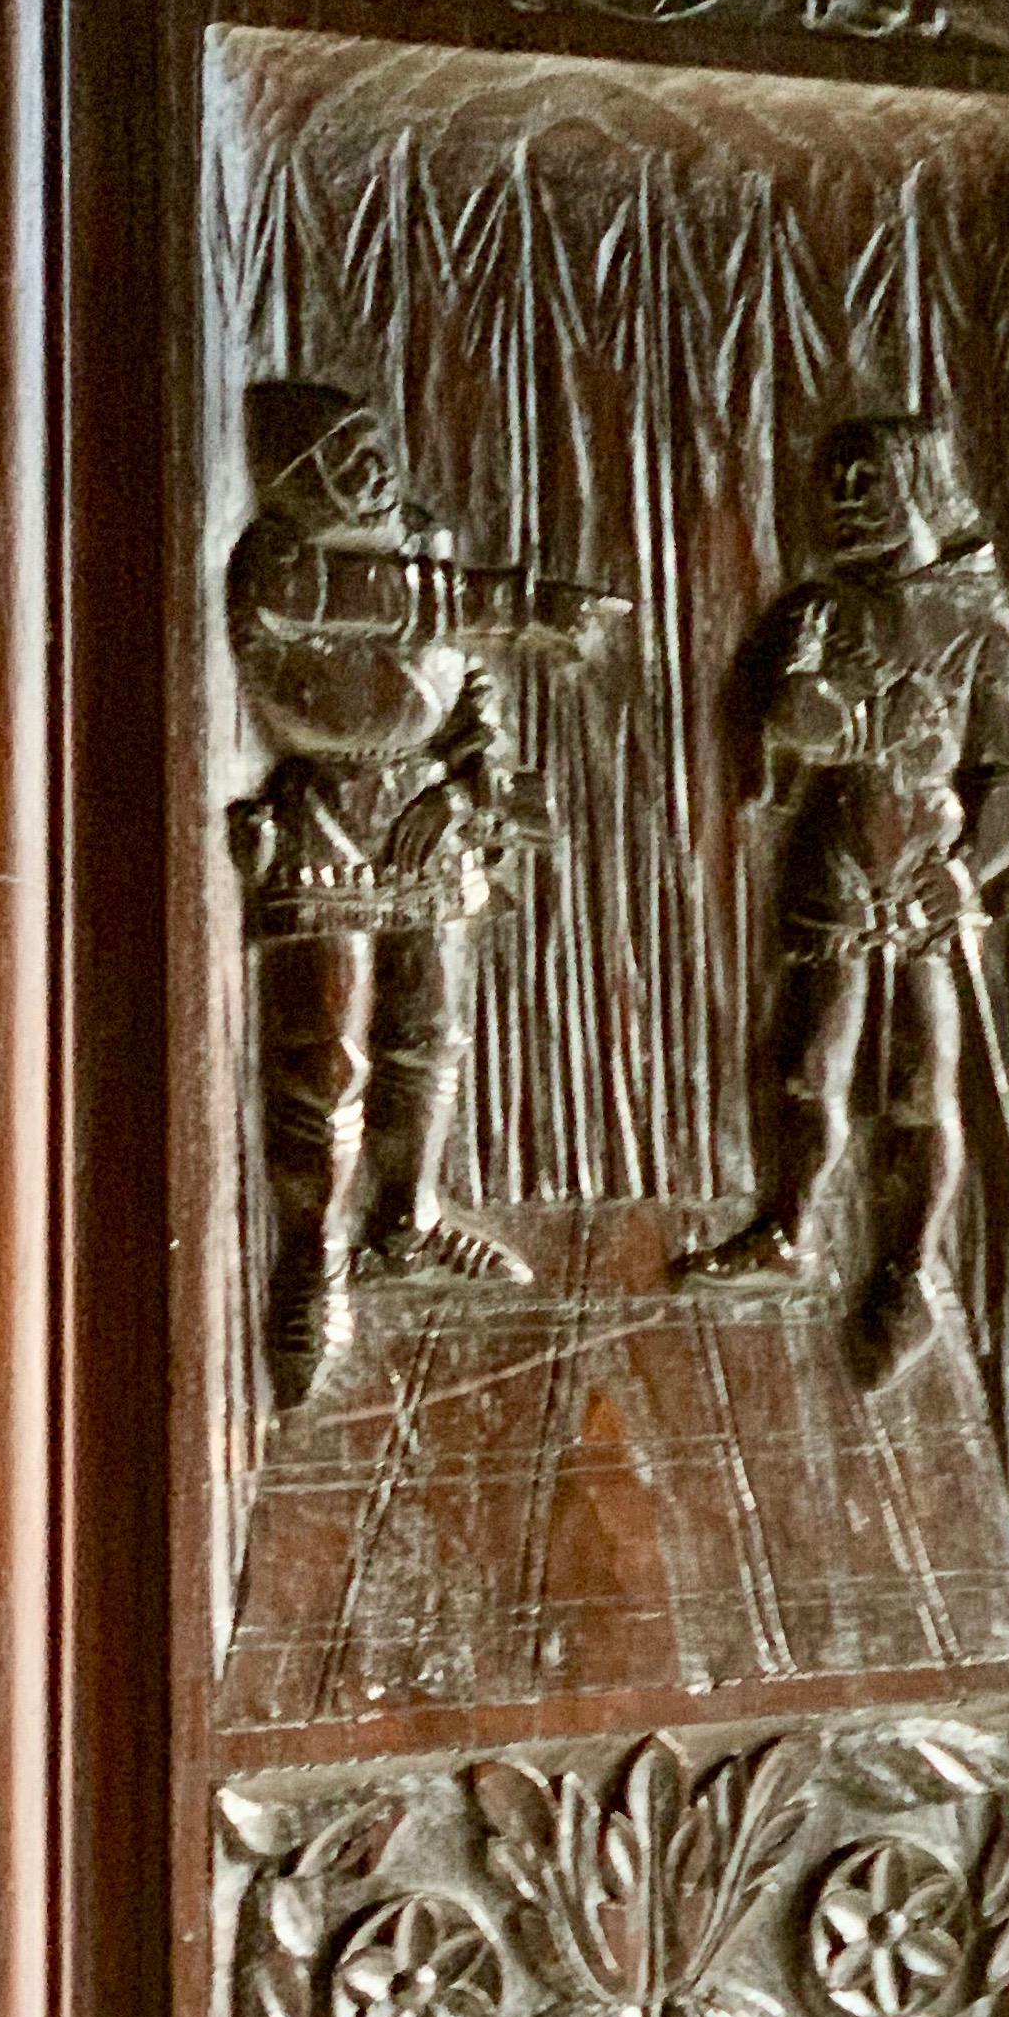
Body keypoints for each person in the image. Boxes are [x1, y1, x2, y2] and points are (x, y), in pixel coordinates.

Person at [227, 380, 625, 1406]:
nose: (370, 469)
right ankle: (315, 1257)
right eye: (340, 455)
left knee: (431, 1027)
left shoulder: (423, 539)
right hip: (328, 811)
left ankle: (409, 1214)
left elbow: (461, 675)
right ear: (294, 474)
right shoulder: (279, 560)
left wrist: (481, 758)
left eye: (370, 446)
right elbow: (369, 605)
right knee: (328, 1050)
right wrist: (516, 603)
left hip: (423, 808)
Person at [682, 409, 1009, 1385]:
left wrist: (970, 867)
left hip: (927, 865)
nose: (844, 504)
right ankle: (788, 1224)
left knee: (920, 1084)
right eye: (833, 485)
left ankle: (905, 1272)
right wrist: (839, 716)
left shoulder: (977, 612)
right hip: (835, 852)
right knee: (810, 1057)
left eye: (866, 481)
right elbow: (790, 710)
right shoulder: (820, 612)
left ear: (919, 483)